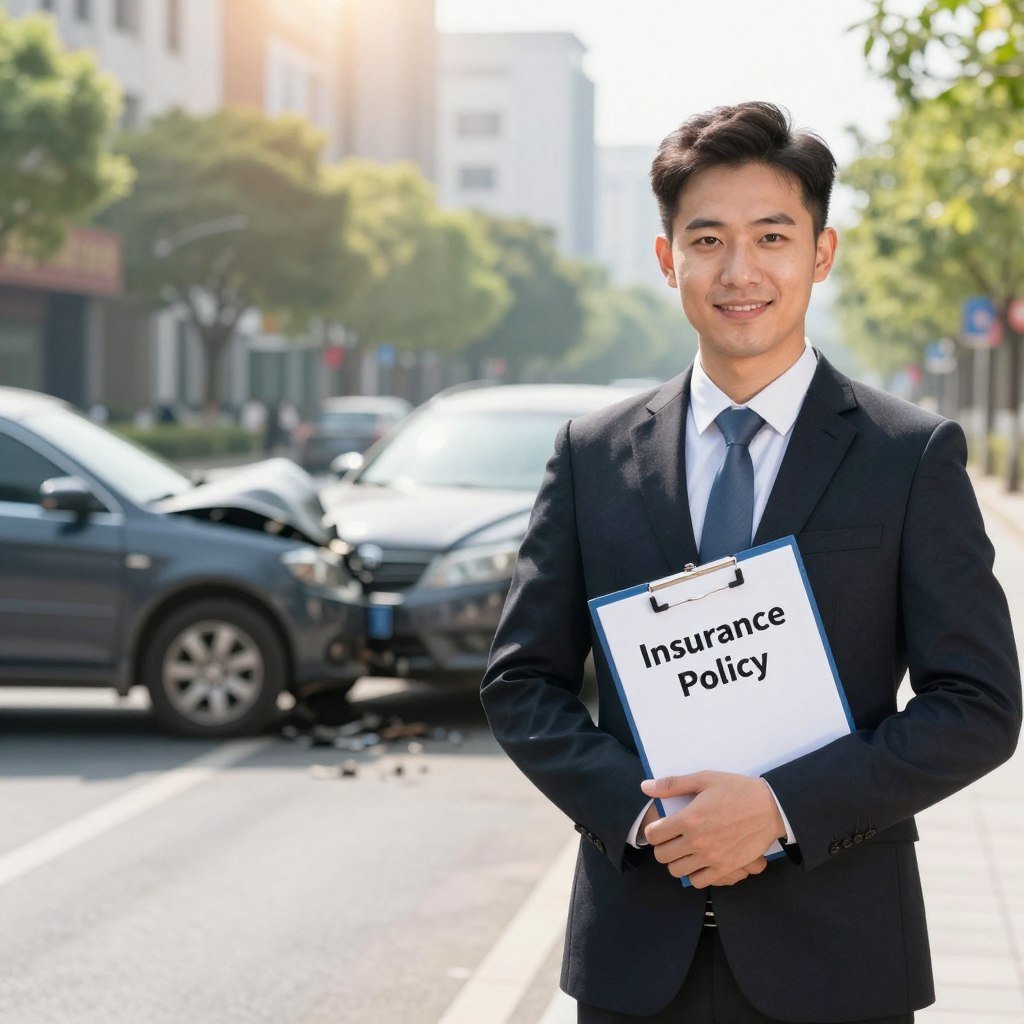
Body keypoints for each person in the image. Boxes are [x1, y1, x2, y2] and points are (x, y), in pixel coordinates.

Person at [480, 102, 1021, 1024]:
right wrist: (647, 818)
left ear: (821, 252)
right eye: (708, 239)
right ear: (667, 261)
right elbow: (521, 682)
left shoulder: (908, 455)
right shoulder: (592, 453)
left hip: (841, 951)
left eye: (772, 236)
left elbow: (977, 706)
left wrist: (779, 810)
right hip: (634, 955)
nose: (740, 270)